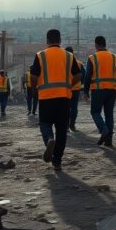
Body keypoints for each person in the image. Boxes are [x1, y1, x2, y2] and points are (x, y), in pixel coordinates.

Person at [30, 29, 81, 171]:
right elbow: (78, 75)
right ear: (60, 40)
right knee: (61, 130)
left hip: (46, 98)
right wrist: (69, 85)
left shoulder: (40, 55)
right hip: (63, 98)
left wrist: (34, 90)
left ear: (47, 41)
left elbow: (33, 76)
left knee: (45, 124)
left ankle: (48, 140)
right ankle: (57, 161)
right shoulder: (69, 56)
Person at [83, 36, 116, 147]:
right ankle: (109, 140)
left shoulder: (92, 58)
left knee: (95, 112)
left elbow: (88, 76)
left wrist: (85, 91)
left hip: (98, 90)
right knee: (109, 114)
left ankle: (103, 130)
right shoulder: (114, 57)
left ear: (96, 45)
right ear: (105, 44)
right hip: (112, 90)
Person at [65, 46, 84, 132]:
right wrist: (82, 84)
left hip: (65, 89)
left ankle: (66, 126)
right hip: (76, 88)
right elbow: (84, 74)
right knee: (74, 108)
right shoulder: (79, 63)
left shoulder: (63, 63)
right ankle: (72, 125)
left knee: (65, 108)